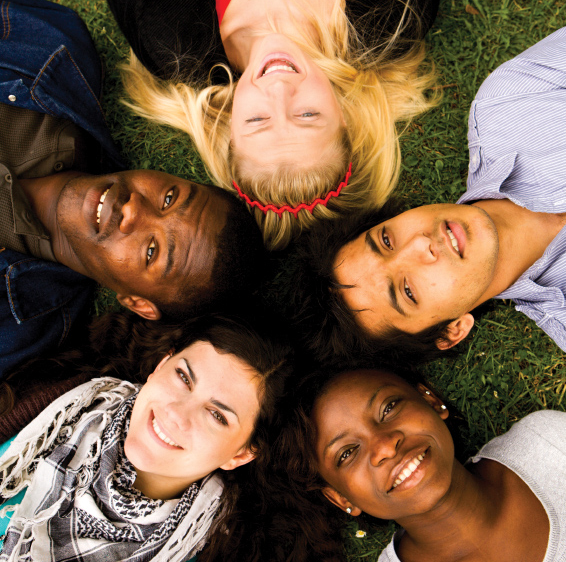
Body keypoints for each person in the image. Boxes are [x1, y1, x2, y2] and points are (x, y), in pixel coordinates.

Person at [0, 0, 265, 377]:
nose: (135, 210)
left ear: (138, 303)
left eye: (152, 250)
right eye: (169, 198)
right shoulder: (52, 55)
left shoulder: (20, 330)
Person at [285, 26, 566, 363]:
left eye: (386, 240)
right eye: (407, 291)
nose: (419, 245)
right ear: (452, 331)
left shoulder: (509, 105)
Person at [107, 0, 439, 250]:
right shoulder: (388, 23)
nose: (279, 91)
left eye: (258, 120)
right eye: (307, 115)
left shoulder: (169, 38)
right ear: (343, 117)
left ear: (230, 130)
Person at [0, 312, 294, 562]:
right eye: (183, 377)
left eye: (217, 416)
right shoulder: (54, 406)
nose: (177, 414)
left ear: (240, 455)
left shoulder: (200, 550)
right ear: (159, 366)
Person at [277, 367, 563, 561]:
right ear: (341, 498)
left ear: (431, 401)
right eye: (347, 453)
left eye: (388, 408)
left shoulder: (550, 442)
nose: (385, 447)